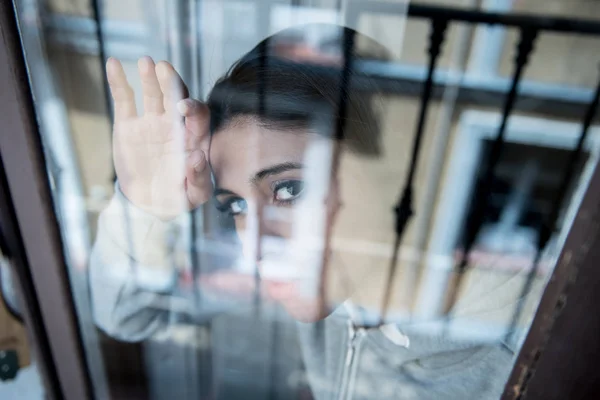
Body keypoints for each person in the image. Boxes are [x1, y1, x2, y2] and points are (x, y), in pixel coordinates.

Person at [90, 23, 514, 399]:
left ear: (397, 170)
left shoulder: (524, 341)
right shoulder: (329, 283)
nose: (257, 247)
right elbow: (124, 315)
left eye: (289, 189)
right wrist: (144, 210)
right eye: (235, 204)